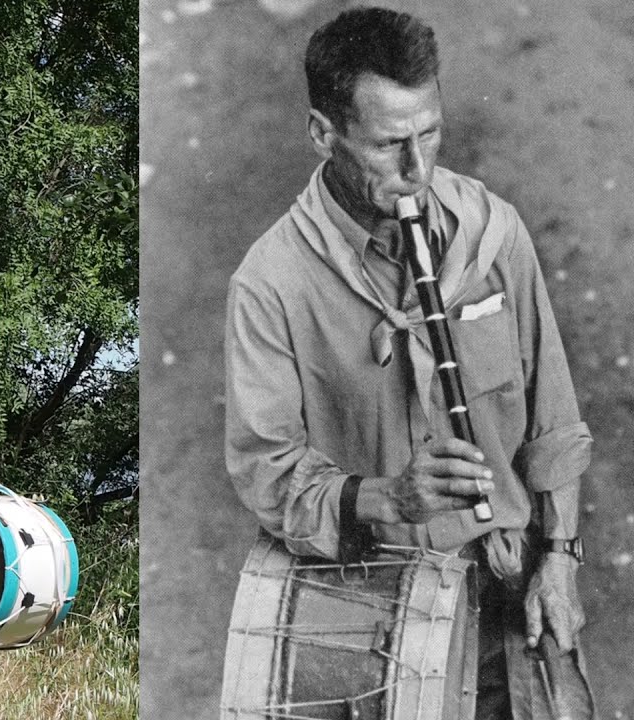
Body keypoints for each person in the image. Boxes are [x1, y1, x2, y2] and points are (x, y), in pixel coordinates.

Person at [224, 8, 592, 718]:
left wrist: (563, 557)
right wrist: (386, 498)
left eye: (430, 133)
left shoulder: (492, 232)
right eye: (392, 145)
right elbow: (267, 473)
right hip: (371, 609)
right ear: (322, 135)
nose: (418, 169)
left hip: (510, 596)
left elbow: (555, 419)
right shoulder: (269, 284)